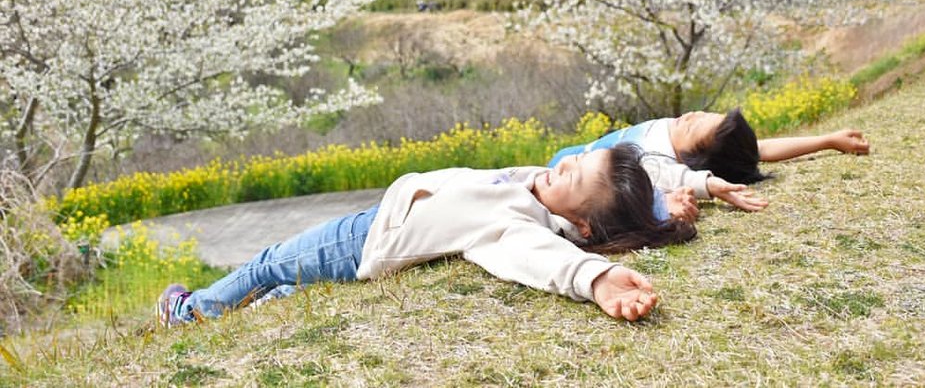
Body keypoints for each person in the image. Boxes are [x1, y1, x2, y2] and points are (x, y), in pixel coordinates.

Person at [158, 144, 695, 327]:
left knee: (269, 263)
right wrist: (668, 201)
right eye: (576, 159)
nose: (563, 164)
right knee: (285, 283)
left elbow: (535, 257)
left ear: (580, 226)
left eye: (573, 176)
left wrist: (595, 278)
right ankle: (246, 308)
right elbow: (629, 191)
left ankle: (188, 314)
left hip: (365, 237)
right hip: (381, 223)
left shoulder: (516, 224)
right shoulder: (533, 190)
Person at [548, 111, 870, 222]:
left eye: (692, 128)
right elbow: (762, 149)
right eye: (703, 114)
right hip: (571, 158)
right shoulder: (679, 130)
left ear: (690, 158)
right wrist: (828, 139)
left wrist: (701, 189)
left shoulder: (657, 160)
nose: (690, 116)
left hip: (563, 174)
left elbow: (665, 182)